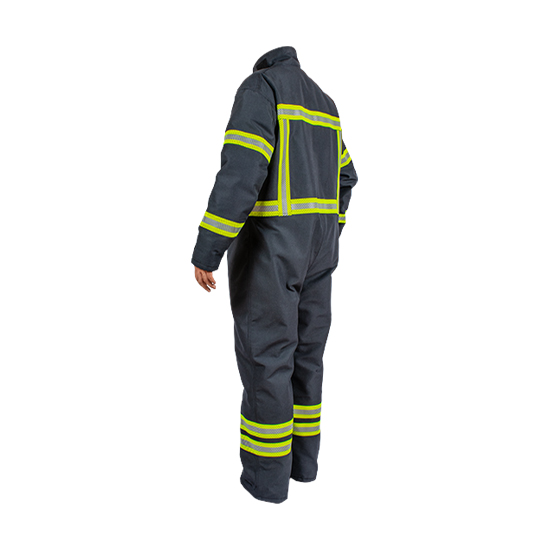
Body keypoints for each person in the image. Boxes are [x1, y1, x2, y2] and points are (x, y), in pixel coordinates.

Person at [191, 46, 358, 503]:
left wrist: (208, 249)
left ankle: (266, 482)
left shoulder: (260, 88)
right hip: (318, 253)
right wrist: (328, 228)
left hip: (271, 251)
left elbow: (241, 173)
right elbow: (347, 176)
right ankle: (302, 466)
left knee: (267, 360)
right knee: (306, 358)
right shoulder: (324, 101)